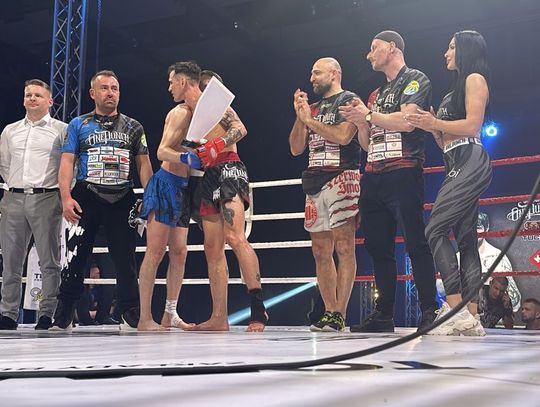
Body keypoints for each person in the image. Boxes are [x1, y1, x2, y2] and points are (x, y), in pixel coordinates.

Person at [339, 30, 438, 332]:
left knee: (415, 242)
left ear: (392, 47)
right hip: (374, 175)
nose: (368, 55)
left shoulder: (415, 79)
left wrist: (368, 116)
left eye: (374, 48)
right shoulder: (375, 95)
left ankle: (429, 310)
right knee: (377, 247)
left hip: (403, 170)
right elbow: (367, 143)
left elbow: (407, 122)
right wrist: (360, 122)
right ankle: (383, 314)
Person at [50, 70, 153, 331]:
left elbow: (144, 165)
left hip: (123, 196)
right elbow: (67, 162)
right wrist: (66, 197)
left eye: (114, 88)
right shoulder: (78, 124)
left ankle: (130, 311)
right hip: (86, 195)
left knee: (125, 258)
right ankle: (64, 312)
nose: (110, 93)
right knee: (75, 256)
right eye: (104, 88)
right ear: (93, 93)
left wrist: (150, 198)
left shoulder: (134, 126)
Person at [405, 30, 492, 336]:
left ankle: (455, 309)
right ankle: (471, 316)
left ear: (466, 50)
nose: (446, 53)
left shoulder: (475, 79)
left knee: (434, 229)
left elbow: (473, 126)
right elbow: (447, 142)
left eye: (452, 47)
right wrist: (432, 129)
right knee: (466, 238)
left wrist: (435, 122)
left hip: (470, 159)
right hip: (455, 159)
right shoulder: (452, 90)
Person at [185, 64, 268, 332]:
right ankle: (219, 317)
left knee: (235, 237)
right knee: (212, 247)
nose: (208, 90)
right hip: (208, 175)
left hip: (230, 167)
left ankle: (258, 310)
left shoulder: (221, 107)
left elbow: (240, 128)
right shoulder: (191, 112)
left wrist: (217, 144)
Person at [289, 57, 360, 332]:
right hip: (314, 179)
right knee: (320, 250)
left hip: (342, 175)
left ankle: (340, 313)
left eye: (316, 73)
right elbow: (296, 148)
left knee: (344, 246)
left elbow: (343, 136)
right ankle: (329, 311)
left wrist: (310, 121)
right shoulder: (313, 108)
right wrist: (301, 117)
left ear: (334, 73)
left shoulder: (350, 100)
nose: (312, 79)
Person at [137, 62, 205, 331]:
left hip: (183, 187)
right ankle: (144, 318)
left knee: (179, 252)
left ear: (183, 82)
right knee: (155, 251)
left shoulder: (197, 114)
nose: (169, 88)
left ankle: (170, 314)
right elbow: (162, 151)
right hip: (165, 183)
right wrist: (188, 157)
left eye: (171, 82)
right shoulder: (179, 113)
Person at [0, 79, 66, 330]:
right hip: (14, 197)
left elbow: (68, 165)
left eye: (38, 95)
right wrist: (15, 186)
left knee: (49, 260)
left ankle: (47, 313)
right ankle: (8, 313)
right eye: (28, 94)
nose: (32, 98)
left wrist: (60, 193)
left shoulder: (62, 130)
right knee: (10, 260)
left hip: (47, 196)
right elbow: (4, 163)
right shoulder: (10, 130)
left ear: (50, 101)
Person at [476, 212, 521, 312]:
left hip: (493, 315)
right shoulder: (457, 257)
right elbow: (444, 293)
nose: (473, 232)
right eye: (469, 227)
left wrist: (497, 288)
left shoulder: (498, 257)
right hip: (465, 315)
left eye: (478, 227)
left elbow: (515, 302)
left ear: (486, 228)